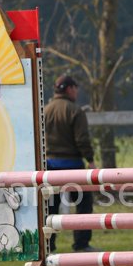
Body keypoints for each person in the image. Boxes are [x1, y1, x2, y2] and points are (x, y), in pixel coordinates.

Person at [43, 74, 99, 252]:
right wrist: (90, 160)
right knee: (83, 205)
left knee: (50, 208)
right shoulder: (75, 111)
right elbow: (82, 140)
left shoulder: (45, 111)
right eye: (75, 88)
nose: (77, 92)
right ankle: (81, 243)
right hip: (73, 165)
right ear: (69, 89)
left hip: (50, 166)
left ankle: (48, 245)